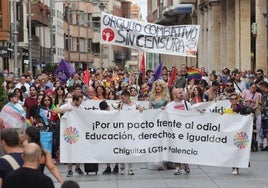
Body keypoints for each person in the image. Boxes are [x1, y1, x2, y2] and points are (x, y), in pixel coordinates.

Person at [53, 94, 85, 177]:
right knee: (69, 150)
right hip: (69, 132)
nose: (80, 103)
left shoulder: (81, 107)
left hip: (78, 131)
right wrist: (66, 110)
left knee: (80, 150)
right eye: (79, 102)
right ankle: (70, 170)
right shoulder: (67, 105)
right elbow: (55, 111)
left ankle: (78, 167)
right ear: (75, 100)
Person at [166, 88, 193, 175]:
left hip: (185, 131)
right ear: (175, 95)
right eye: (180, 93)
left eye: (182, 92)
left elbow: (193, 113)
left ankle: (186, 163)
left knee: (185, 148)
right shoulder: (169, 105)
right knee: (177, 149)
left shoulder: (186, 103)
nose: (182, 94)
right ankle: (178, 167)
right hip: (175, 131)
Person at [119, 90, 143, 175]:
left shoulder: (135, 105)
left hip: (133, 131)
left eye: (123, 98)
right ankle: (122, 167)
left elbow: (142, 110)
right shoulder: (121, 105)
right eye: (121, 98)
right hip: (123, 130)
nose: (122, 99)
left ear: (127, 96)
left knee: (131, 149)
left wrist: (140, 109)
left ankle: (130, 168)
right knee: (123, 149)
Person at [99, 101, 119, 175]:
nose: (106, 111)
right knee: (107, 150)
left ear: (108, 106)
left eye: (106, 109)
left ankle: (116, 167)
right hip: (107, 134)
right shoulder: (102, 113)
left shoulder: (114, 106)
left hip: (116, 133)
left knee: (117, 150)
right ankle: (108, 167)